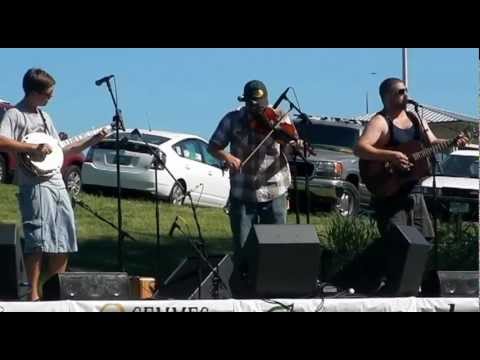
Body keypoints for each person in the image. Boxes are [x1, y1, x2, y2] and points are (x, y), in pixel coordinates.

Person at [0, 68, 108, 300]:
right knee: (37, 239)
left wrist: (93, 139)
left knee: (64, 240)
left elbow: (61, 149)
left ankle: (53, 292)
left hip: (57, 183)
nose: (52, 97)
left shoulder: (45, 117)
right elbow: (1, 140)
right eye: (48, 93)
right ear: (34, 93)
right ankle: (32, 295)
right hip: (34, 184)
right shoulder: (14, 115)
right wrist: (31, 148)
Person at [354, 77, 469, 239]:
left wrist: (453, 141)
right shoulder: (380, 122)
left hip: (414, 191)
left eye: (406, 91)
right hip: (389, 192)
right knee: (398, 243)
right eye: (401, 92)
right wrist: (391, 155)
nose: (406, 95)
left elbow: (433, 142)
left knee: (424, 240)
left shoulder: (416, 119)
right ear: (387, 96)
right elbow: (360, 148)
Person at [208, 80, 303, 270]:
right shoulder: (232, 119)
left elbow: (290, 145)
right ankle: (244, 286)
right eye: (252, 105)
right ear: (245, 102)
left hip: (275, 189)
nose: (258, 110)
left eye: (261, 105)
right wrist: (227, 157)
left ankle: (275, 284)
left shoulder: (279, 117)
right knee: (243, 246)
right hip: (243, 191)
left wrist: (294, 144)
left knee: (276, 245)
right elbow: (213, 146)